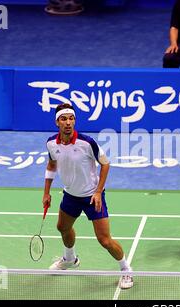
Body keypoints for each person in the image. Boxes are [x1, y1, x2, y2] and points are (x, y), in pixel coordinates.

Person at [42, 103, 133, 289]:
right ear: (57, 122)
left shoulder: (87, 142)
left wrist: (99, 191)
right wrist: (46, 192)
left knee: (104, 240)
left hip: (92, 197)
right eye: (64, 119)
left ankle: (126, 270)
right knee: (62, 227)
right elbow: (52, 165)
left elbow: (105, 164)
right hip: (70, 195)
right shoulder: (51, 143)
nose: (68, 123)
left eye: (71, 118)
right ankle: (69, 259)